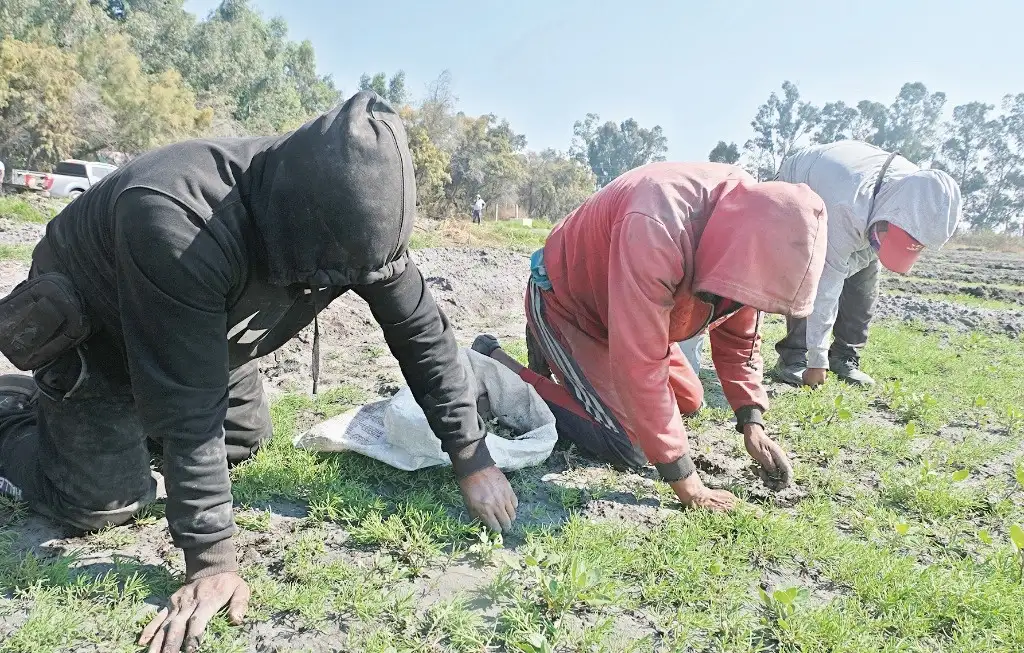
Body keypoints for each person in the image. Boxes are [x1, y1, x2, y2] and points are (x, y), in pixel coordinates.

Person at [0, 92, 518, 653]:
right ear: (292, 218)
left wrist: (472, 457)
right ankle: (19, 416)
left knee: (246, 439)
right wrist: (212, 561)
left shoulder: (356, 216)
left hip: (202, 329)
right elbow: (191, 409)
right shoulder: (179, 216)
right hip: (101, 329)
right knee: (104, 505)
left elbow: (423, 335)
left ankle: (125, 424)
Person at [519, 162, 828, 511]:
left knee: (690, 400)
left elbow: (739, 338)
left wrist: (751, 422)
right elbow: (639, 365)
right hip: (572, 305)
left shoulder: (752, 225)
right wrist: (690, 487)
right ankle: (505, 368)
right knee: (628, 440)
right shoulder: (657, 224)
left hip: (631, 316)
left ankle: (565, 362)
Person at [771, 140, 962, 388]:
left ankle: (844, 357)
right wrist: (817, 362)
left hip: (862, 200)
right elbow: (826, 287)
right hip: (802, 183)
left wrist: (849, 267)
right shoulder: (847, 206)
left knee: (864, 283)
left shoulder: (919, 198)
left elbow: (868, 255)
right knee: (810, 274)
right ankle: (796, 358)